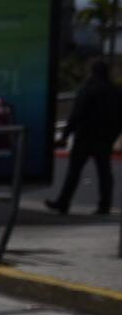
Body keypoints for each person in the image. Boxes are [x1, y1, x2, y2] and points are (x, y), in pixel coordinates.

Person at [47, 59, 121, 217]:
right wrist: (113, 135)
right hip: (104, 138)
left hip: (85, 136)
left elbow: (76, 114)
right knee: (104, 173)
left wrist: (65, 135)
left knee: (74, 172)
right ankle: (104, 205)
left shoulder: (89, 89)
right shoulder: (115, 91)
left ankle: (63, 202)